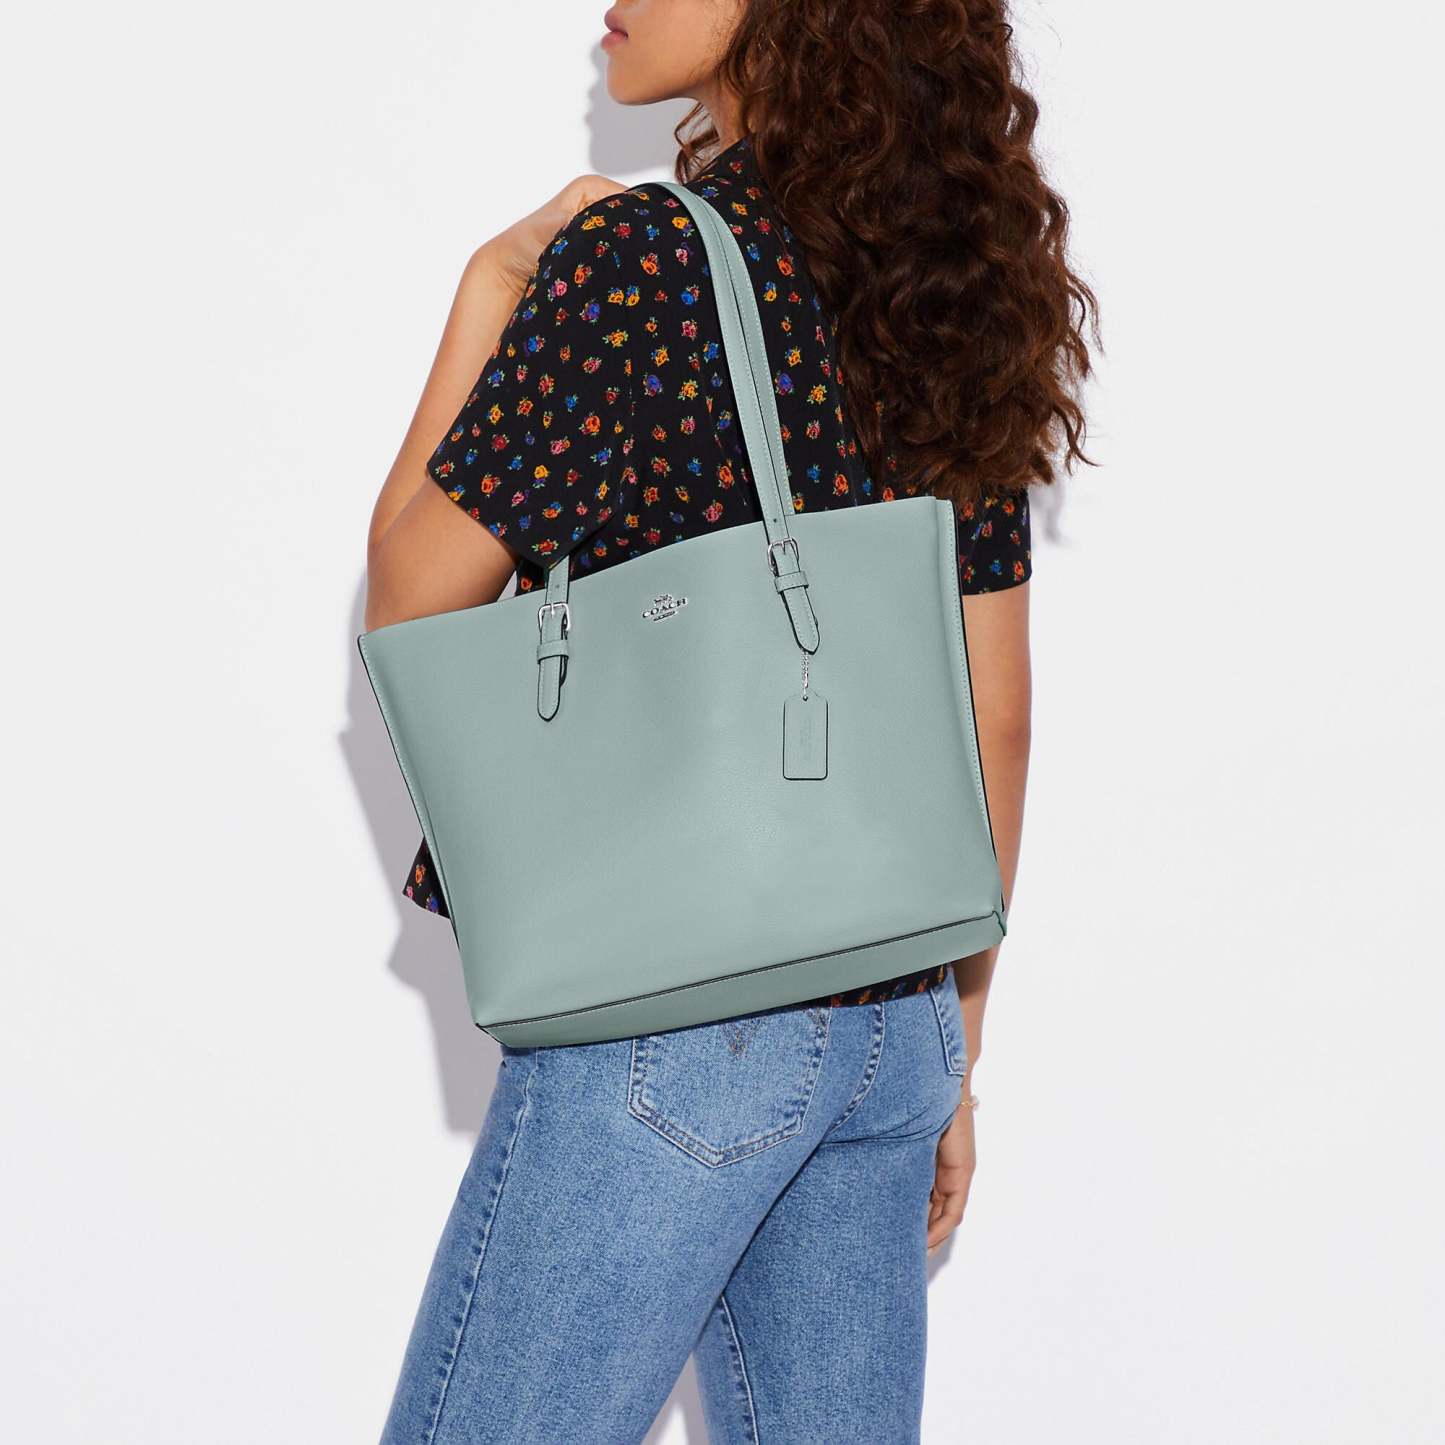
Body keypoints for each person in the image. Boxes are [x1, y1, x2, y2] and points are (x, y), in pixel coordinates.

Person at [364, 1, 1094, 1438]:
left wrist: (486, 284)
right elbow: (993, 717)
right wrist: (953, 1047)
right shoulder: (942, 277)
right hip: (895, 1017)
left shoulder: (637, 264)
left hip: (677, 1024)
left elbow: (411, 598)